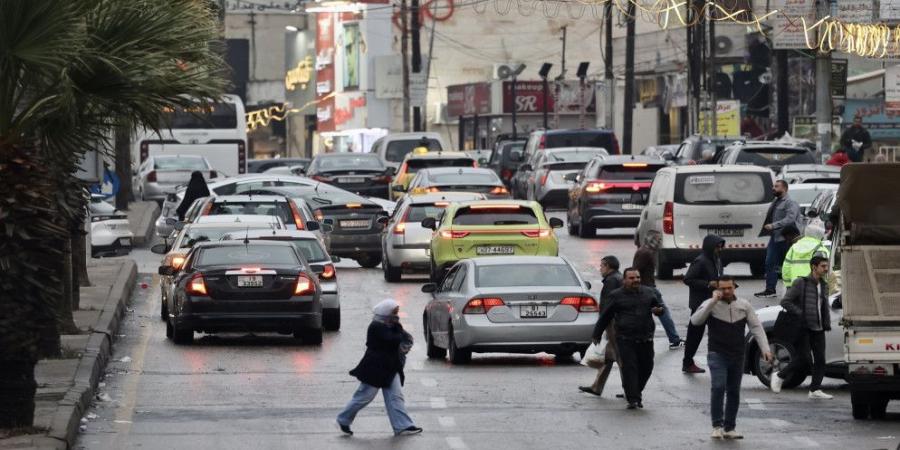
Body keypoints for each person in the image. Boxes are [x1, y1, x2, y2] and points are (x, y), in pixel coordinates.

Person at [691, 276, 772, 440]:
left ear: (734, 287)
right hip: (717, 353)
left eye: (730, 288)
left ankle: (729, 427)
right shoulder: (710, 304)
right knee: (718, 386)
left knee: (734, 391)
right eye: (723, 288)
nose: (727, 291)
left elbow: (756, 327)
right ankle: (716, 425)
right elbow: (695, 321)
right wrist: (712, 302)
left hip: (737, 354)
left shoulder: (744, 305)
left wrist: (765, 348)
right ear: (717, 289)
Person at [337, 299, 423, 436]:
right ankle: (343, 419)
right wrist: (399, 333)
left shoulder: (393, 325)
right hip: (375, 369)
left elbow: (405, 338)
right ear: (386, 312)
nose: (396, 315)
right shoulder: (376, 326)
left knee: (396, 397)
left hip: (391, 368)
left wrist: (399, 333)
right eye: (394, 312)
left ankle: (403, 425)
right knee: (364, 396)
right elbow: (392, 340)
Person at [593, 268, 664, 409]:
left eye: (637, 277)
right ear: (624, 280)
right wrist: (597, 333)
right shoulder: (616, 296)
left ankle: (635, 391)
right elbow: (605, 316)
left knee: (647, 368)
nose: (635, 280)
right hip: (625, 339)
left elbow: (659, 307)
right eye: (631, 278)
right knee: (630, 368)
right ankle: (633, 399)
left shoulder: (649, 293)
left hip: (646, 338)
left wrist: (659, 310)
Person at [770, 256, 833, 399]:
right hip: (803, 327)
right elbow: (785, 301)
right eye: (823, 266)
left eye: (826, 266)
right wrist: (801, 314)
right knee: (804, 358)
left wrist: (826, 322)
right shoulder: (801, 283)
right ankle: (779, 375)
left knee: (820, 359)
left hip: (819, 327)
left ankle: (815, 390)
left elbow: (824, 307)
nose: (826, 269)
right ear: (814, 267)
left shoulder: (824, 285)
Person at [579, 256, 624, 397]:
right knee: (609, 356)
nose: (600, 269)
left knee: (619, 356)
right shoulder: (619, 278)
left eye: (601, 266)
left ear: (608, 266)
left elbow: (607, 308)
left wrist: (599, 329)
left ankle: (631, 388)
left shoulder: (611, 281)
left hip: (613, 324)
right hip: (617, 322)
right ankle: (597, 387)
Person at [632, 230, 684, 349]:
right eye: (657, 240)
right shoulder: (645, 253)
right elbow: (636, 271)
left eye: (660, 240)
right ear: (651, 240)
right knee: (663, 313)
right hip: (648, 288)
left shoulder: (646, 251)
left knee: (646, 315)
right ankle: (674, 339)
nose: (659, 243)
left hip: (646, 287)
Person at [682, 234, 725, 374]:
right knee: (695, 335)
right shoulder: (700, 261)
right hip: (700, 304)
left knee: (717, 333)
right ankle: (687, 362)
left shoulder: (716, 260)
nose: (719, 249)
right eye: (717, 247)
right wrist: (707, 284)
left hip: (712, 302)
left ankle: (717, 361)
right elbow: (688, 279)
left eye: (721, 247)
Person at [755, 180, 800, 298]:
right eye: (773, 186)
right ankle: (770, 290)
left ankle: (794, 290)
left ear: (784, 188)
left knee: (789, 264)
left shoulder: (790, 202)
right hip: (775, 238)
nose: (773, 188)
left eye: (776, 186)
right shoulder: (776, 202)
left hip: (787, 238)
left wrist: (774, 225)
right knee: (770, 263)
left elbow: (790, 219)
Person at [782, 223, 829, 288]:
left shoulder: (793, 248)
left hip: (796, 285)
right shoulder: (820, 249)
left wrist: (788, 285)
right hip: (815, 286)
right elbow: (826, 269)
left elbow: (786, 268)